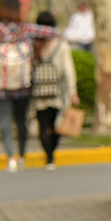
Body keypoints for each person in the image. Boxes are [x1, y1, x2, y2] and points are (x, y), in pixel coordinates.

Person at [0, 0, 58, 172]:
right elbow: (54, 33)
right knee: (21, 121)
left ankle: (10, 158)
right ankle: (22, 155)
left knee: (5, 122)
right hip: (23, 83)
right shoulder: (27, 29)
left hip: (0, 84)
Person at [29, 11, 79, 170]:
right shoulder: (60, 45)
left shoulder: (33, 44)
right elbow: (68, 70)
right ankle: (52, 154)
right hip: (57, 91)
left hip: (39, 91)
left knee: (43, 125)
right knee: (56, 124)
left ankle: (48, 157)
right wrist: (72, 91)